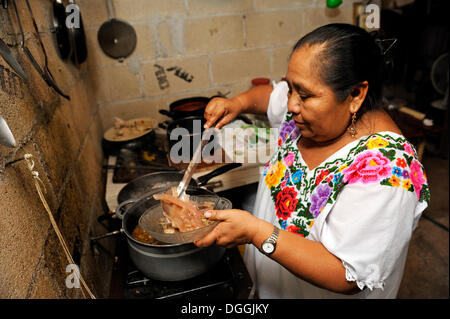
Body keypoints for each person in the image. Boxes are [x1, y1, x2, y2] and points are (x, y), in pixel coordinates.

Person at [194, 23, 430, 298]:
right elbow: (272, 95)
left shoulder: (388, 170)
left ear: (355, 95)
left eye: (303, 95)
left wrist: (257, 233)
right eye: (292, 89)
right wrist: (238, 103)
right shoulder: (307, 111)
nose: (291, 103)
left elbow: (345, 275)